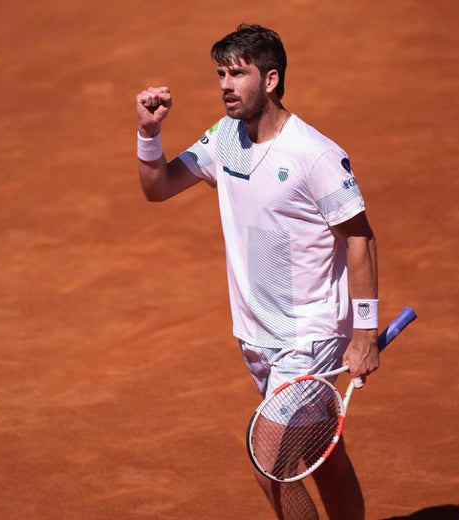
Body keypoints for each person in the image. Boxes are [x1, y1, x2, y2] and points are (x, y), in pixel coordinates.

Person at [135, 24, 379, 520]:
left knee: (269, 462)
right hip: (257, 335)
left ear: (270, 79)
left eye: (238, 74)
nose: (225, 84)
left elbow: (360, 236)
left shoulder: (314, 155)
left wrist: (367, 330)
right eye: (221, 73)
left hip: (307, 337)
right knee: (321, 459)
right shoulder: (225, 138)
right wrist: (148, 133)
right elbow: (157, 187)